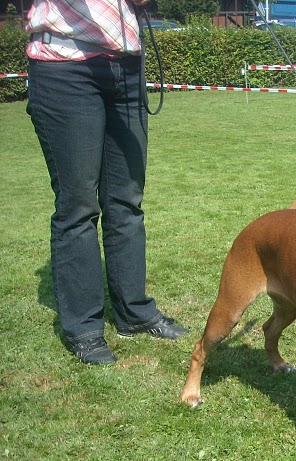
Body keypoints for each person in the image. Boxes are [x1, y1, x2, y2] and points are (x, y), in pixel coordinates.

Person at [26, 0, 189, 365]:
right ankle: (84, 328)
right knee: (79, 205)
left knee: (127, 201)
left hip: (127, 67)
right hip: (66, 66)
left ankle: (134, 312)